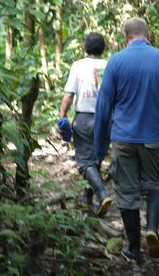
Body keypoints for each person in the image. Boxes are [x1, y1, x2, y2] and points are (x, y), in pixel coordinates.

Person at [94, 17, 159, 263]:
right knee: (158, 183)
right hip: (155, 137)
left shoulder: (116, 61)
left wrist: (100, 146)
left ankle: (133, 248)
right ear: (150, 36)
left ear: (126, 39)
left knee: (126, 191)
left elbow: (103, 107)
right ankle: (153, 228)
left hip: (123, 138)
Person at [58, 33, 112, 217]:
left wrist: (62, 116)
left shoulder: (78, 66)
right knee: (95, 160)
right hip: (106, 120)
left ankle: (103, 194)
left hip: (84, 119)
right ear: (102, 49)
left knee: (84, 163)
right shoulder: (110, 65)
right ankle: (87, 201)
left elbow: (69, 95)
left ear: (85, 48)